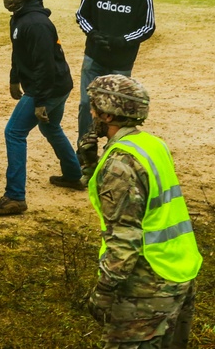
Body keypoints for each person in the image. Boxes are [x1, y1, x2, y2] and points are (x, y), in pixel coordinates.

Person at [84, 75, 200, 348]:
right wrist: (89, 165)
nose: (90, 113)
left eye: (92, 108)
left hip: (147, 285)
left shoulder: (119, 164)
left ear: (106, 114)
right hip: (180, 270)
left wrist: (104, 290)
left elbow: (125, 237)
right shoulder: (152, 144)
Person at [0, 0, 83, 216]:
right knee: (51, 128)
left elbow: (44, 66)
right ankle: (73, 175)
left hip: (48, 87)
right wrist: (14, 78)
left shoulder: (36, 24)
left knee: (14, 132)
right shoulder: (20, 18)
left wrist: (40, 101)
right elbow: (20, 54)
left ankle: (15, 196)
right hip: (56, 85)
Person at [75, 0, 155, 145]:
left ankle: (115, 151)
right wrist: (92, 34)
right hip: (94, 57)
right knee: (87, 104)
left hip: (121, 62)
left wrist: (122, 41)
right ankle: (85, 151)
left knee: (117, 109)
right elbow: (81, 15)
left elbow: (148, 26)